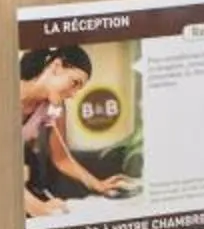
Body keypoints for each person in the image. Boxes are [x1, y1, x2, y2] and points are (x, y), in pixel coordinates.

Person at [21, 46, 138, 217]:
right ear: (56, 66)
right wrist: (38, 208)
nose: (74, 94)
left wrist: (99, 185)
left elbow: (61, 158)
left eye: (79, 88)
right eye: (74, 83)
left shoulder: (54, 105)